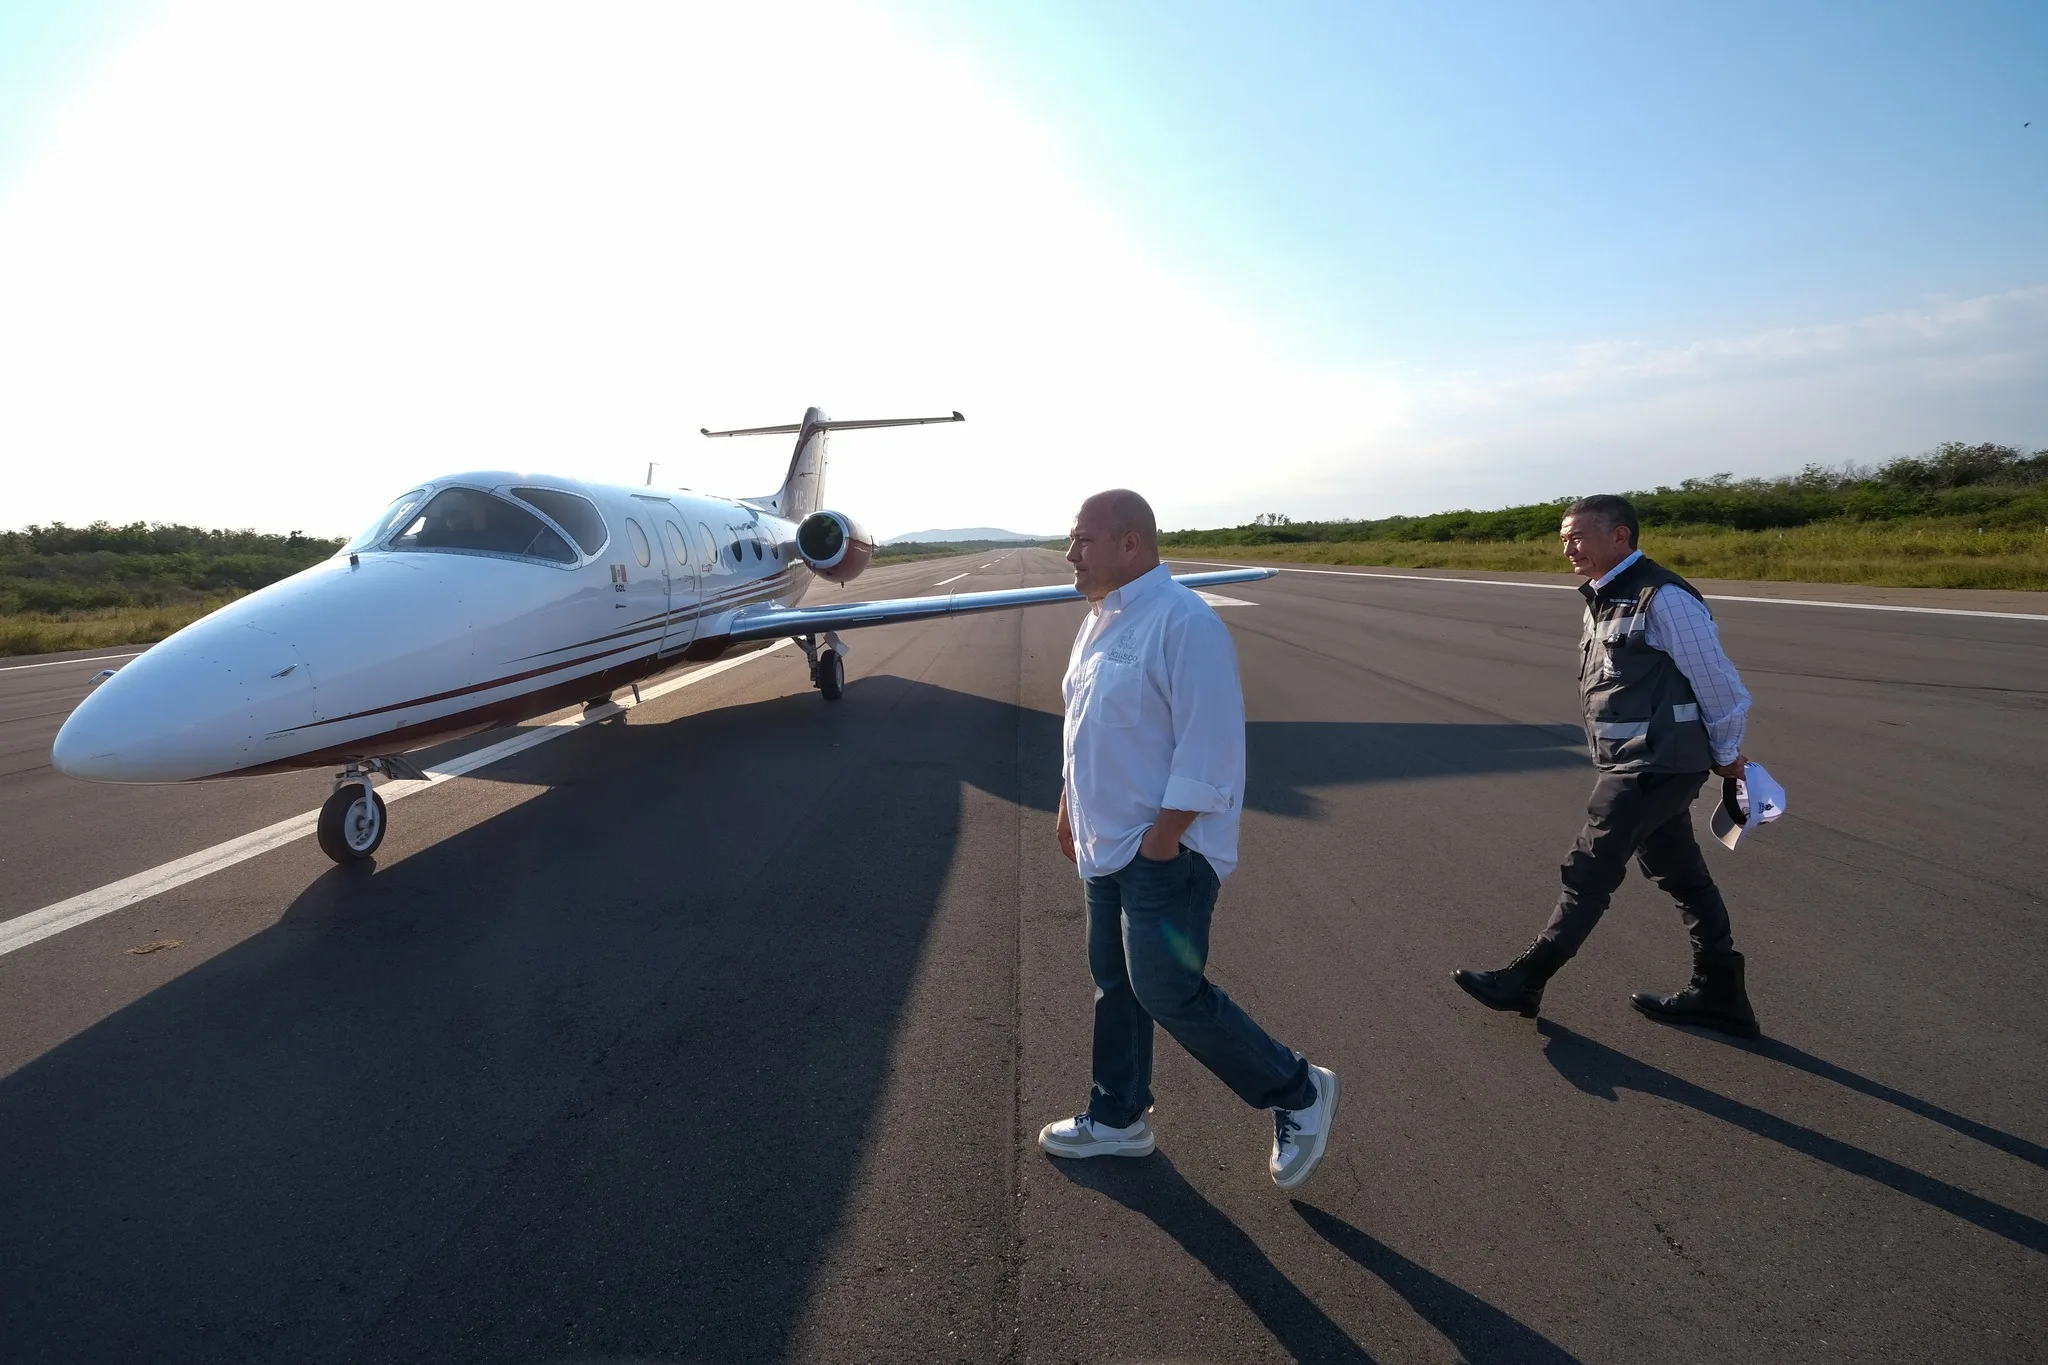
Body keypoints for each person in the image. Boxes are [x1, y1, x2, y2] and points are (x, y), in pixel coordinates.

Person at [1037, 489, 1340, 1190]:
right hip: (1105, 842)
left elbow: (1211, 748)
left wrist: (1164, 841)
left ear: (1130, 546)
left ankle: (1297, 1089)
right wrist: (1067, 807)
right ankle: (1118, 1115)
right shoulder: (1098, 620)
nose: (1071, 553)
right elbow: (1082, 728)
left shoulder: (1183, 622)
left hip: (1160, 851)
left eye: (1083, 539)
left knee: (1167, 989)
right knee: (1116, 984)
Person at [1452, 494, 1761, 1037]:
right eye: (1564, 537)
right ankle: (1720, 991)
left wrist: (1727, 754)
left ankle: (1526, 979)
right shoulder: (1606, 597)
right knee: (1681, 872)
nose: (1568, 547)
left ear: (1620, 537)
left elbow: (1721, 686)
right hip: (1636, 759)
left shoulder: (1662, 598)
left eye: (1578, 536)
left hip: (1655, 763)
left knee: (1590, 865)